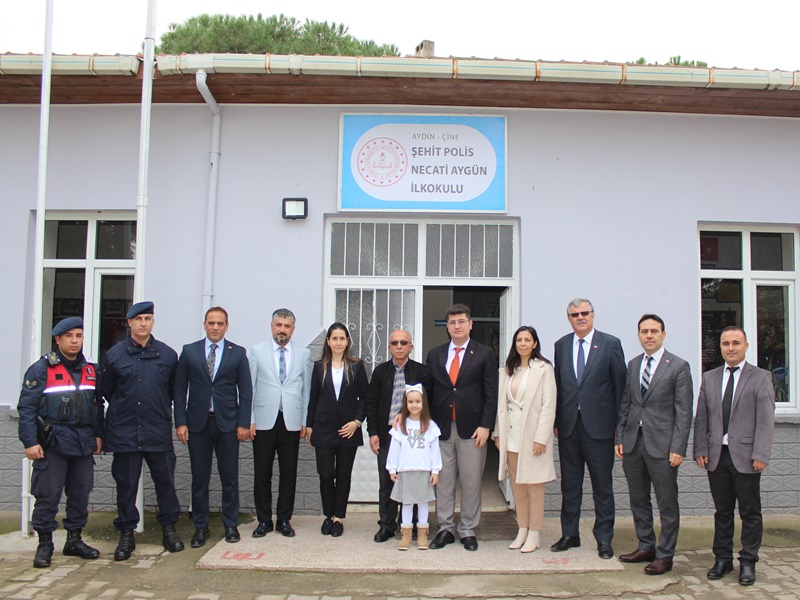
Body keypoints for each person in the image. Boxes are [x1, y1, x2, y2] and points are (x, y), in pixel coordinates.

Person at [17, 317, 103, 568]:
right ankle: (45, 544)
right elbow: (27, 409)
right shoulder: (41, 369)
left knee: (80, 494)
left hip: (83, 442)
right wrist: (30, 442)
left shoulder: (90, 369)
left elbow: (97, 405)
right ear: (58, 339)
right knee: (48, 495)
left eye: (79, 336)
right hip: (53, 442)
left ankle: (74, 541)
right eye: (69, 336)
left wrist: (98, 434)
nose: (75, 341)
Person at [693, 326, 775, 586]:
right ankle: (723, 559)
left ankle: (748, 561)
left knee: (750, 512)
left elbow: (765, 419)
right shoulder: (710, 377)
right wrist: (700, 449)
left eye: (736, 343)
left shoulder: (761, 377)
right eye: (726, 343)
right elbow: (702, 416)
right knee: (722, 511)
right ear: (720, 347)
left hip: (747, 456)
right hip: (717, 456)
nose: (731, 347)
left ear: (746, 346)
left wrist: (761, 452)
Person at [102, 301, 184, 560]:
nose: (143, 323)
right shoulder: (115, 356)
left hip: (156, 431)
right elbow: (107, 390)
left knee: (165, 483)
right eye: (138, 319)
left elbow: (173, 392)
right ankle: (127, 534)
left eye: (148, 318)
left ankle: (169, 529)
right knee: (126, 485)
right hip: (125, 432)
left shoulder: (168, 355)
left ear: (153, 322)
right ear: (129, 323)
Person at [615, 314, 693, 575]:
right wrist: (620, 437)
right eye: (644, 331)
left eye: (654, 331)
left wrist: (679, 447)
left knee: (667, 503)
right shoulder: (634, 364)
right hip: (633, 444)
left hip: (663, 447)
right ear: (638, 335)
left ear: (663, 334)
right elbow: (626, 403)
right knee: (638, 499)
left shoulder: (679, 367)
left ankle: (665, 554)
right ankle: (646, 545)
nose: (648, 335)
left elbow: (684, 412)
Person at [552, 298, 626, 559]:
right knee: (570, 485)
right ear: (569, 318)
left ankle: (604, 539)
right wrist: (556, 423)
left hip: (601, 430)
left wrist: (620, 430)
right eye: (574, 314)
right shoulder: (560, 345)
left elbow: (620, 390)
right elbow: (558, 388)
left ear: (593, 316)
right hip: (569, 428)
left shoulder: (610, 344)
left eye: (584, 313)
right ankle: (570, 534)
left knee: (602, 486)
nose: (580, 317)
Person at [174, 306, 253, 548]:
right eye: (211, 323)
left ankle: (230, 524)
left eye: (220, 323)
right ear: (205, 324)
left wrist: (242, 424)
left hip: (228, 425)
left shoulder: (237, 353)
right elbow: (179, 390)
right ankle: (200, 526)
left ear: (227, 326)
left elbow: (246, 391)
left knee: (229, 477)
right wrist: (180, 422)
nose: (215, 327)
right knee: (200, 477)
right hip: (198, 424)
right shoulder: (189, 352)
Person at [424, 304, 498, 552]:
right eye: (452, 322)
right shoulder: (435, 355)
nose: (457, 326)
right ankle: (445, 529)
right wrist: (426, 424)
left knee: (470, 482)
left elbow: (491, 393)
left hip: (473, 429)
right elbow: (429, 392)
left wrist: (486, 425)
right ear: (447, 326)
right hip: (441, 429)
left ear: (470, 324)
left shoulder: (484, 354)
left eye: (461, 321)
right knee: (442, 482)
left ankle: (467, 529)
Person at [493, 325, 556, 554]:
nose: (522, 344)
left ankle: (535, 532)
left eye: (527, 340)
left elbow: (549, 406)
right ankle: (522, 528)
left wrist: (541, 438)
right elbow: (501, 406)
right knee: (518, 487)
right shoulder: (507, 370)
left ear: (535, 343)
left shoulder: (543, 369)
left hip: (533, 438)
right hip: (512, 437)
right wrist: (498, 433)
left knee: (534, 487)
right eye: (519, 340)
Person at [249, 308, 311, 538]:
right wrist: (250, 419)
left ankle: (284, 519)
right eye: (278, 325)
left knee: (289, 472)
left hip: (291, 421)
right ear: (271, 326)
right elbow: (250, 387)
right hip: (264, 420)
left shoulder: (303, 354)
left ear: (293, 329)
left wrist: (305, 420)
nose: (282, 330)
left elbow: (306, 389)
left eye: (286, 326)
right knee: (262, 472)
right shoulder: (257, 351)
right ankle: (264, 520)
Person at [306, 323, 368, 537]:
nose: (338, 342)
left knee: (343, 475)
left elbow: (365, 398)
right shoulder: (318, 367)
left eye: (342, 338)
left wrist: (357, 422)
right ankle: (327, 514)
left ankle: (338, 518)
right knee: (325, 474)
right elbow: (313, 399)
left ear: (347, 341)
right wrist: (309, 426)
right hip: (323, 430)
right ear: (328, 341)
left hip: (348, 430)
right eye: (334, 338)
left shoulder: (357, 366)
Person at [365, 329, 425, 543]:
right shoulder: (380, 372)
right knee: (387, 482)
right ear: (389, 346)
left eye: (403, 342)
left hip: (413, 437)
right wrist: (372, 433)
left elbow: (428, 404)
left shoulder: (421, 372)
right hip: (387, 435)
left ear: (411, 346)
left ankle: (413, 525)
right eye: (394, 343)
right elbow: (370, 404)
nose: (399, 346)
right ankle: (387, 525)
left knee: (414, 480)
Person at [386, 384, 442, 551]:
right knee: (407, 503)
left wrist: (435, 470)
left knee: (423, 503)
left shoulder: (430, 426)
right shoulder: (401, 424)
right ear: (406, 403)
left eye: (418, 401)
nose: (414, 405)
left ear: (424, 403)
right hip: (406, 471)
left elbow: (435, 449)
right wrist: (392, 468)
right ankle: (406, 535)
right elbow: (394, 448)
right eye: (410, 402)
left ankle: (423, 533)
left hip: (423, 470)